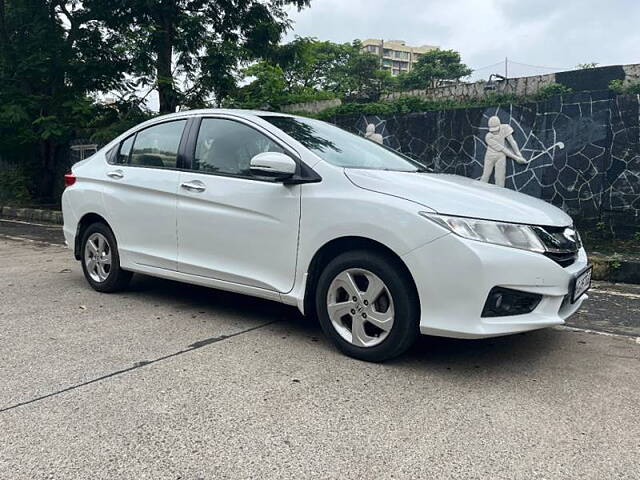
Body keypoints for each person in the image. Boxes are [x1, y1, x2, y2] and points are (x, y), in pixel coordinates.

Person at [480, 116, 527, 187]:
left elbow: (512, 141)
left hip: (501, 157)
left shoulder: (505, 128)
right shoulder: (488, 137)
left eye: (496, 129)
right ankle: (479, 192)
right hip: (490, 156)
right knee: (486, 175)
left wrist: (519, 154)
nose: (494, 131)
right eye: (492, 130)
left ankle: (499, 195)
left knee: (500, 178)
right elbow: (503, 149)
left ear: (499, 125)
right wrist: (516, 158)